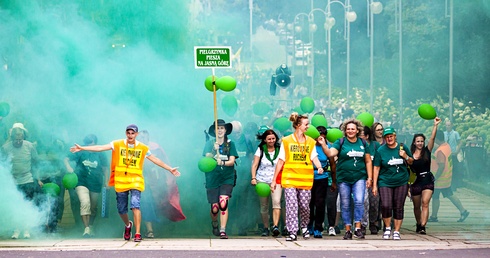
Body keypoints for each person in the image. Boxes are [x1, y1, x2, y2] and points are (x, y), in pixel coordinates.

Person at [69, 124, 181, 242]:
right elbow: (100, 147)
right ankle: (128, 225)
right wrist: (82, 148)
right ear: (126, 133)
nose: (130, 135)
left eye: (133, 133)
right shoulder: (118, 144)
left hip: (136, 181)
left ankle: (137, 234)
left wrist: (169, 168)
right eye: (128, 133)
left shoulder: (143, 148)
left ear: (136, 134)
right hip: (121, 181)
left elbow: (155, 159)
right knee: (121, 209)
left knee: (135, 205)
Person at [270, 112, 324, 241]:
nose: (308, 126)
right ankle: (292, 231)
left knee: (305, 205)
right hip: (289, 178)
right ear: (298, 125)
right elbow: (281, 160)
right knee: (291, 205)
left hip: (305, 179)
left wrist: (319, 166)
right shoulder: (287, 140)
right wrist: (274, 180)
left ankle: (304, 226)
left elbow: (314, 156)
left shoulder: (310, 141)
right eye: (306, 124)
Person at [319, 119, 373, 240]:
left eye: (353, 129)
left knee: (359, 201)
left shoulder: (363, 143)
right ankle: (348, 229)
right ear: (345, 130)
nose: (350, 131)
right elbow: (330, 153)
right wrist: (323, 144)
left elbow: (368, 161)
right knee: (345, 204)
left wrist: (369, 177)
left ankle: (358, 228)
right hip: (343, 178)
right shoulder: (341, 142)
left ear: (357, 130)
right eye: (348, 129)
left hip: (360, 177)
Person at [137, 130, 186, 238]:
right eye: (140, 138)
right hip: (142, 182)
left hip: (157, 181)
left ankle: (163, 227)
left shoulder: (155, 148)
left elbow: (164, 162)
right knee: (146, 204)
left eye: (144, 138)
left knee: (161, 205)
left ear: (148, 139)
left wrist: (169, 179)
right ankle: (150, 230)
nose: (142, 140)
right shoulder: (134, 149)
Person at [65, 134, 109, 237]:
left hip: (95, 182)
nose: (91, 146)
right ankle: (86, 228)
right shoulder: (80, 151)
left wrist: (106, 181)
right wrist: (68, 167)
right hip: (81, 181)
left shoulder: (100, 153)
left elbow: (105, 168)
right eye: (89, 144)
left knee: (93, 207)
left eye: (93, 144)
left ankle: (91, 226)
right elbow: (66, 158)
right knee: (85, 202)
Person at [372, 127, 412, 240]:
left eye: (391, 136)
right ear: (385, 138)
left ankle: (397, 231)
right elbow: (376, 167)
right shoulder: (380, 150)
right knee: (386, 205)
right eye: (387, 137)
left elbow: (411, 162)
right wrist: (374, 185)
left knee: (398, 206)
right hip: (385, 181)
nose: (389, 138)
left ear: (395, 136)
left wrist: (405, 156)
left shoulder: (403, 147)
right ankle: (388, 227)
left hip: (401, 181)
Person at [1, 123, 40, 239]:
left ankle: (26, 229)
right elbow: (2, 164)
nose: (18, 141)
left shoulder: (30, 146)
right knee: (15, 205)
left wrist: (37, 178)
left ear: (24, 137)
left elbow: (36, 162)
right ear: (12, 138)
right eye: (16, 139)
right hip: (12, 181)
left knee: (28, 204)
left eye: (20, 139)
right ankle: (16, 230)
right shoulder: (6, 147)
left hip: (27, 178)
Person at [202, 119, 239, 239]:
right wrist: (213, 149)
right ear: (214, 130)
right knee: (215, 207)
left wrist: (222, 162)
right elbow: (207, 158)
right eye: (218, 128)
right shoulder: (210, 143)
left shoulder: (230, 144)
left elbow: (232, 161)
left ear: (226, 130)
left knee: (223, 203)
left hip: (226, 177)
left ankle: (223, 230)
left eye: (222, 128)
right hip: (212, 177)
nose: (220, 130)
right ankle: (215, 223)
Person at [428, 129, 470, 223]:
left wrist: (435, 177)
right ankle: (462, 211)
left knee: (440, 196)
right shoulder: (446, 146)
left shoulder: (440, 151)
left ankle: (462, 211)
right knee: (445, 195)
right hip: (446, 177)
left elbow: (441, 165)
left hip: (440, 179)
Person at [410, 117, 441, 234]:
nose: (420, 143)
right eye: (418, 141)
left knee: (425, 203)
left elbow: (432, 138)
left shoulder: (427, 151)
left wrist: (435, 125)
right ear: (414, 142)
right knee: (416, 206)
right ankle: (418, 223)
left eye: (422, 141)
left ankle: (423, 226)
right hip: (415, 181)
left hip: (427, 180)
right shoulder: (410, 154)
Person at [250, 129, 282, 237]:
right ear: (265, 140)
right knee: (264, 205)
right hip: (262, 180)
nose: (271, 141)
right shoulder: (260, 150)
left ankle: (276, 226)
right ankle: (266, 227)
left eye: (273, 138)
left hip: (276, 180)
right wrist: (253, 178)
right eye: (269, 139)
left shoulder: (280, 149)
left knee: (276, 202)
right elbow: (254, 164)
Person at [307, 126, 337, 238]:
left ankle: (318, 227)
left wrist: (334, 181)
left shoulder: (327, 147)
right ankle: (308, 224)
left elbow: (332, 164)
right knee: (309, 203)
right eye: (318, 138)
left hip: (322, 177)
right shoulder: (309, 145)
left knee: (320, 203)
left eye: (322, 138)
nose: (320, 140)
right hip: (309, 177)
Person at [359, 125, 380, 235]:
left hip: (374, 179)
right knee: (363, 202)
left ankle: (373, 222)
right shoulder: (357, 145)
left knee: (374, 202)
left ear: (367, 136)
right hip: (362, 178)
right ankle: (362, 225)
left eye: (362, 136)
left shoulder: (375, 146)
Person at [443, 120, 463, 189]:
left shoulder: (455, 133)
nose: (447, 127)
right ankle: (446, 185)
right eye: (446, 125)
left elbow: (460, 142)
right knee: (446, 170)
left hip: (453, 154)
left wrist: (457, 151)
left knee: (454, 170)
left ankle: (454, 186)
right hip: (445, 154)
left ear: (452, 125)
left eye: (449, 125)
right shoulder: (444, 133)